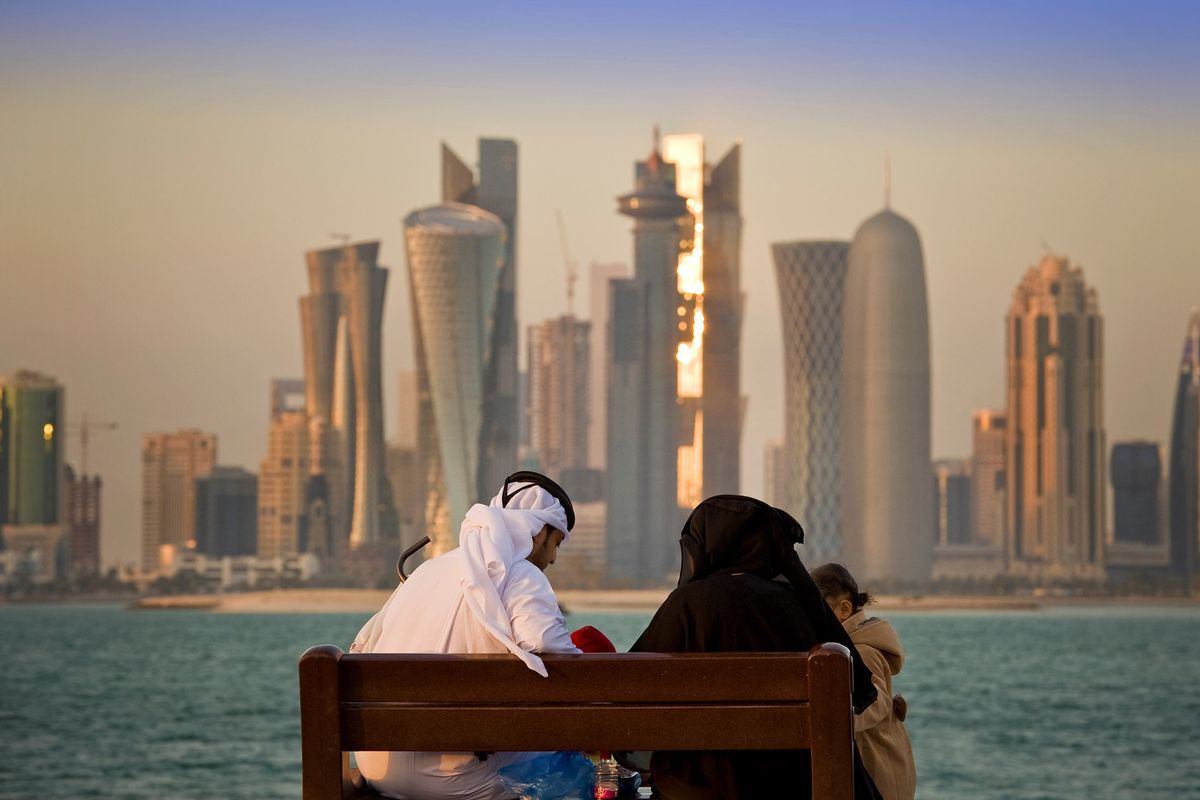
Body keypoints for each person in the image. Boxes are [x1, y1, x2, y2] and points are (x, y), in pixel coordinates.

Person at [629, 495, 882, 800]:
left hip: (705, 786)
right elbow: (857, 691)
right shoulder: (801, 604)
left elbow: (633, 691)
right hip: (795, 785)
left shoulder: (689, 605)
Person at [350, 471, 582, 800]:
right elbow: (547, 645)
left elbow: (362, 644)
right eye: (556, 543)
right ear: (540, 531)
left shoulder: (427, 570)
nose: (554, 558)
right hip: (455, 778)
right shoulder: (521, 573)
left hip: (379, 768)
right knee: (569, 767)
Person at [811, 563, 916, 800]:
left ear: (844, 609)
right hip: (873, 763)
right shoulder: (849, 647)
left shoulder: (862, 652)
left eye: (818, 609)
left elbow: (874, 702)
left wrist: (831, 723)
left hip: (879, 768)